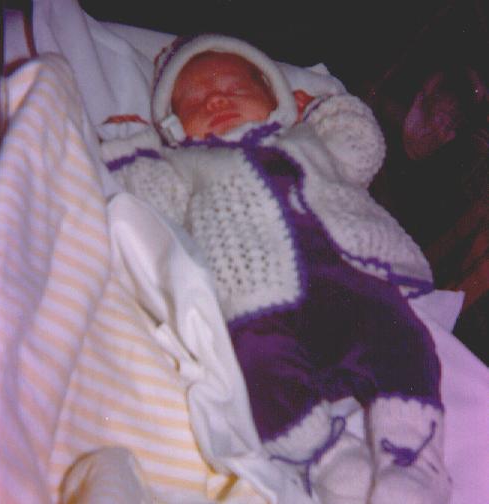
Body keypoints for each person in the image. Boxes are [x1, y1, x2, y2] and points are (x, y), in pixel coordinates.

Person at [102, 34, 451, 504]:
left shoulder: (307, 141)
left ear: (276, 98)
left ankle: (412, 459)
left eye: (236, 88)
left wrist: (326, 108)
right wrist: (134, 145)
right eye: (195, 101)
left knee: (402, 341)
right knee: (258, 377)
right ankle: (329, 460)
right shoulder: (186, 164)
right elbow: (151, 201)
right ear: (173, 125)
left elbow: (362, 148)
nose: (217, 100)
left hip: (350, 275)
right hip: (257, 300)